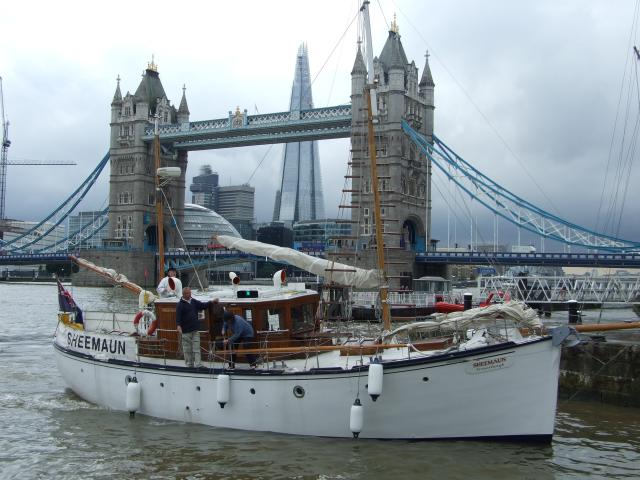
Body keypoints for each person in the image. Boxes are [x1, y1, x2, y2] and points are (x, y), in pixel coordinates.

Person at [175, 287, 213, 368]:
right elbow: (178, 317)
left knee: (197, 348)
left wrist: (211, 302)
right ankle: (189, 365)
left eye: (190, 293)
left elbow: (203, 306)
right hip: (185, 331)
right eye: (188, 293)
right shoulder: (180, 305)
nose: (190, 294)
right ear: (184, 294)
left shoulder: (193, 301)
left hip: (195, 330)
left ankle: (198, 364)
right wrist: (178, 326)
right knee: (187, 350)